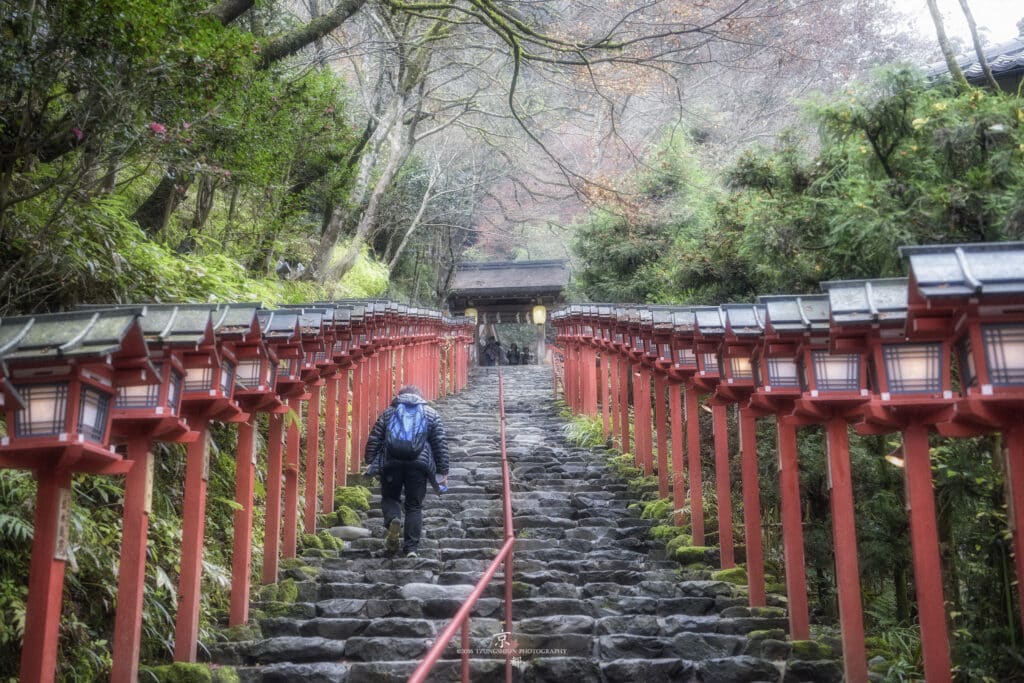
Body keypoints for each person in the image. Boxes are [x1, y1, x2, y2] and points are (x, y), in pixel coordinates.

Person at [365, 385, 449, 557]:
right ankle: (411, 548)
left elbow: (375, 437)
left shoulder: (389, 413)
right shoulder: (431, 414)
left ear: (399, 397)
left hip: (391, 464)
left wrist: (370, 461)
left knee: (390, 497)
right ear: (420, 397)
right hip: (418, 466)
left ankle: (393, 519)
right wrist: (443, 471)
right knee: (414, 505)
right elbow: (440, 444)